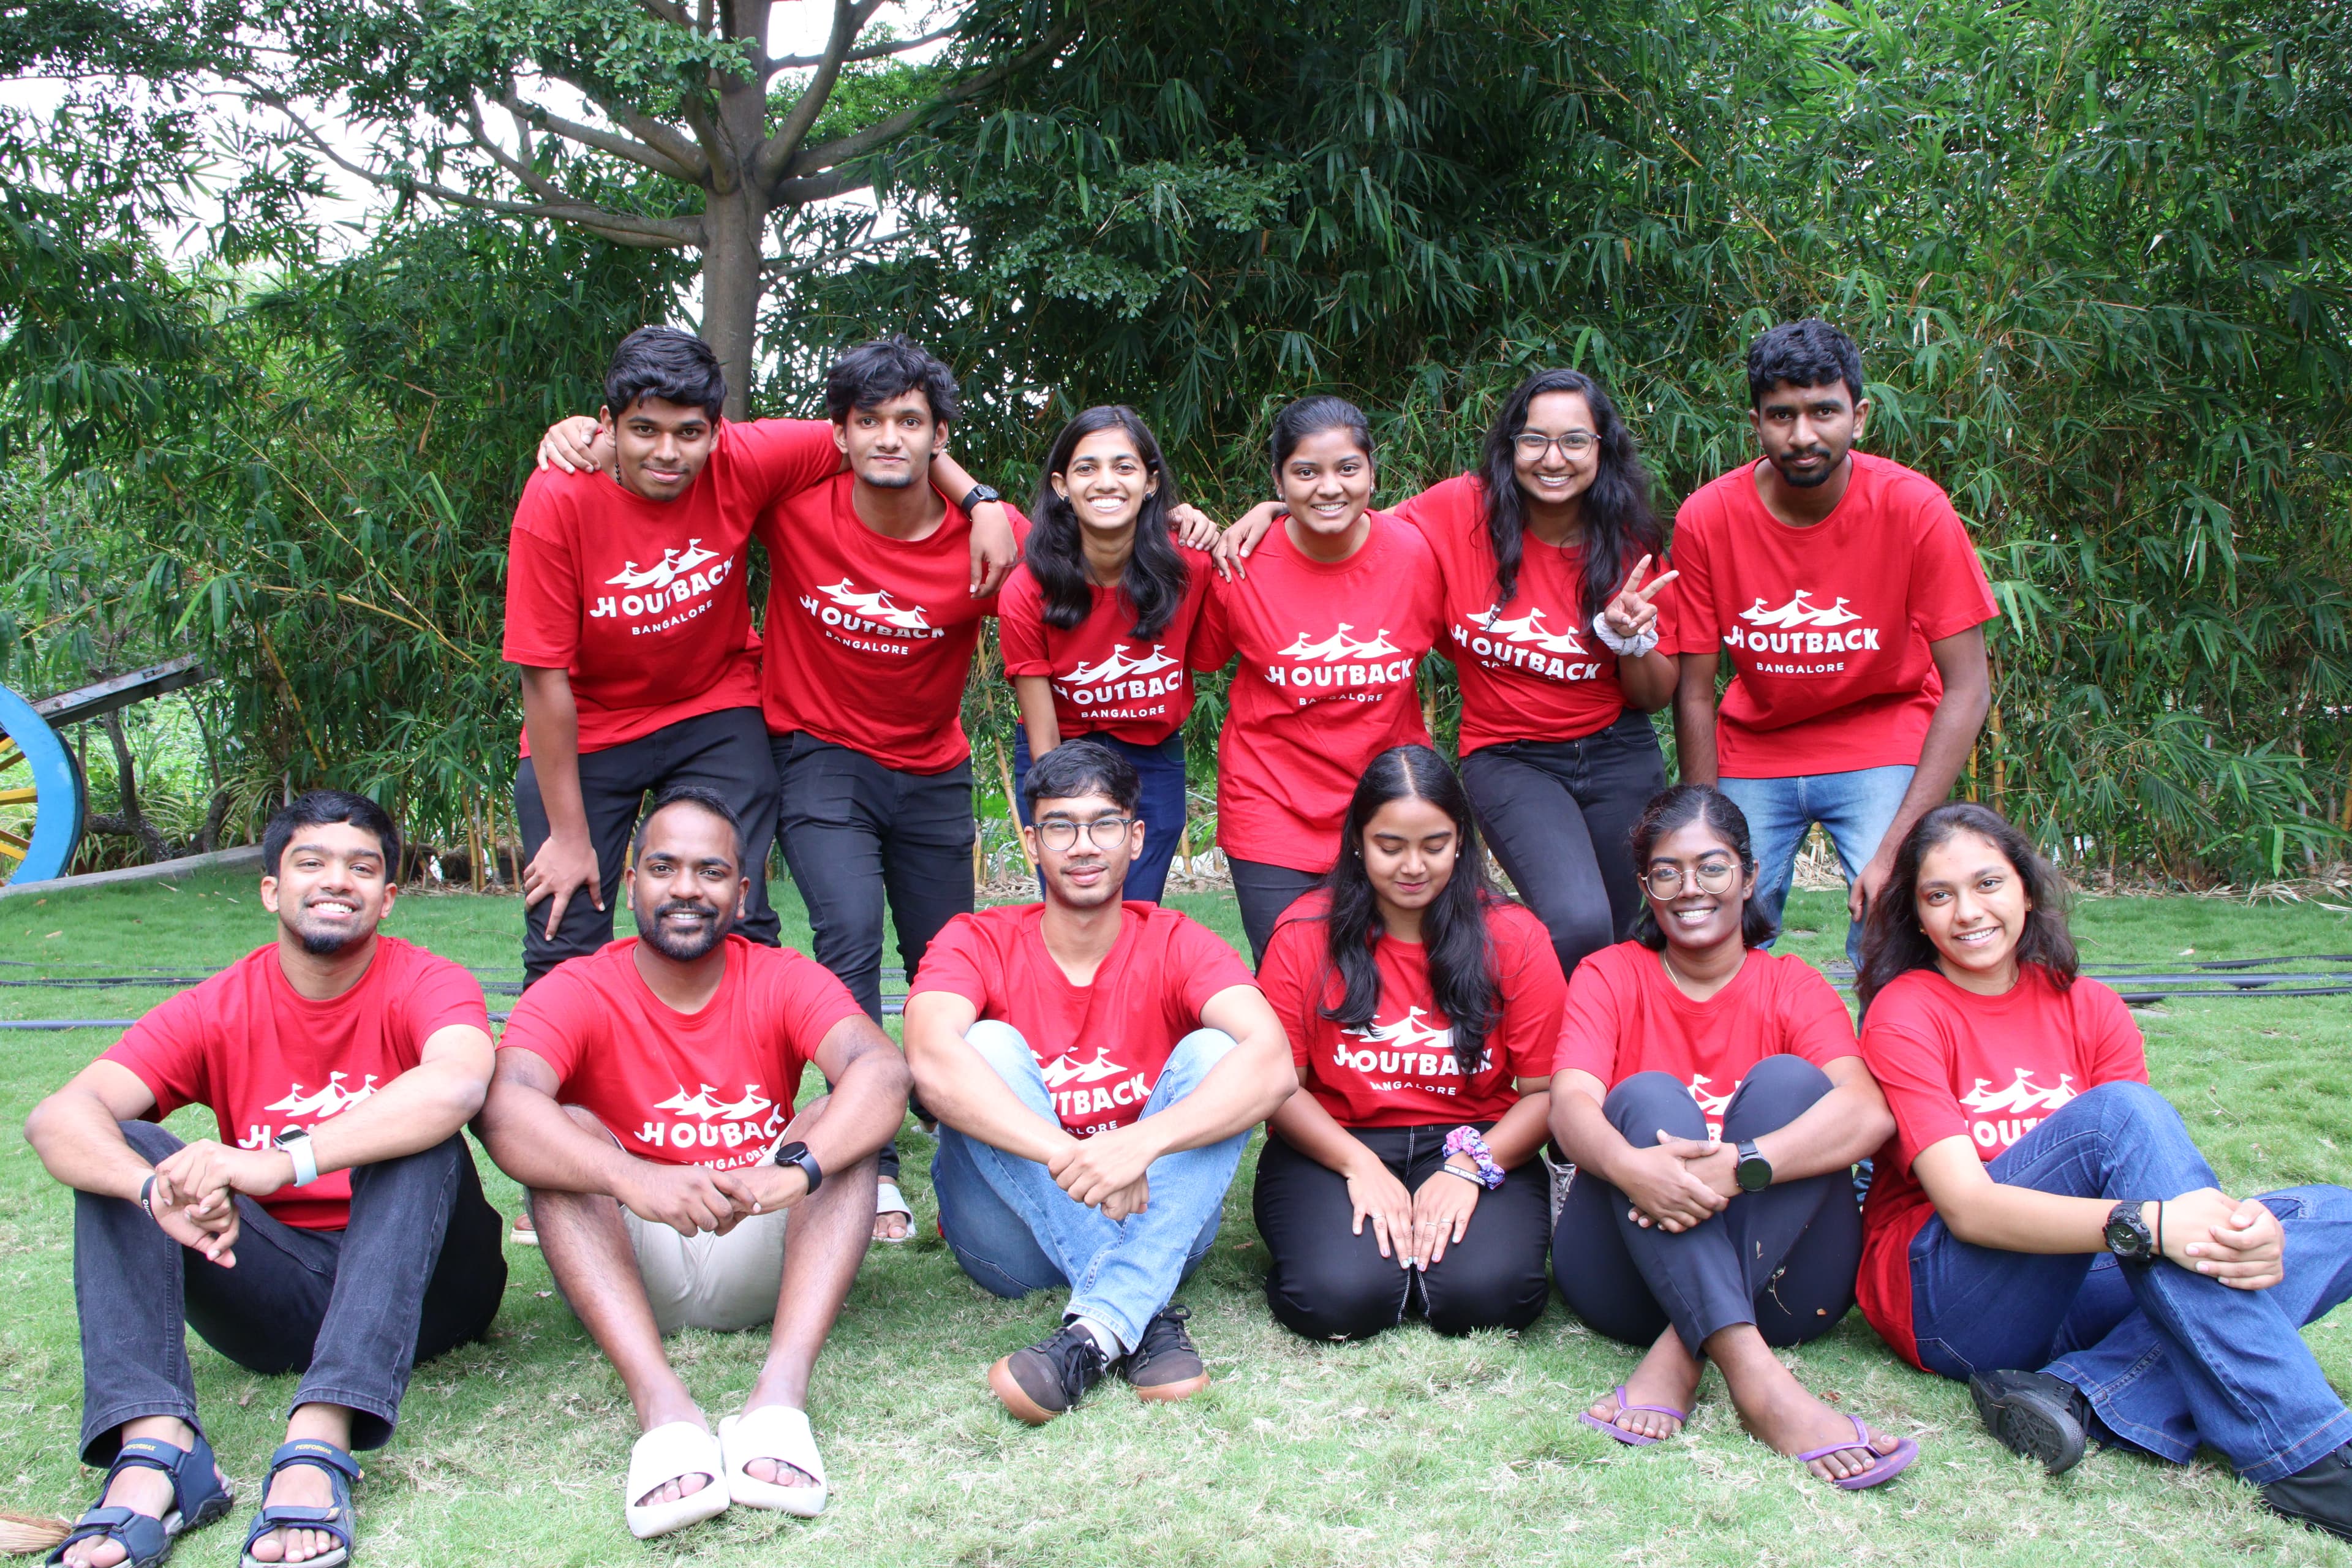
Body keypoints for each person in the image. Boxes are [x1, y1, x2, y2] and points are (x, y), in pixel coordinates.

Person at [23, 791, 505, 1568]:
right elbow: (59, 1116)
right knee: (127, 1149)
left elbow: (455, 1085)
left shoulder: (429, 981)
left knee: (418, 1136)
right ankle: (158, 1451)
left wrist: (279, 1161)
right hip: (280, 1291)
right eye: (310, 862)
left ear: (387, 897)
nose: (335, 880)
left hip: (431, 1289)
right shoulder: (219, 1005)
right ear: (272, 889)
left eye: (361, 866)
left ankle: (319, 1437)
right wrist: (153, 1191)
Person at [1856, 802, 2352, 1539]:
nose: (1968, 912)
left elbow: (2157, 1177)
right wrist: (2153, 1226)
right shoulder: (1907, 1010)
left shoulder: (2091, 1007)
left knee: (2327, 1216)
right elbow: (1969, 1207)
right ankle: (2309, 1459)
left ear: (2026, 888)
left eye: (1988, 883)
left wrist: (2232, 1233)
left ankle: (2076, 1394)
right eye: (1939, 895)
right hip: (1953, 1296)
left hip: (2083, 1278)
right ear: (1917, 916)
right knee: (2121, 1114)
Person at [476, 786, 910, 1539]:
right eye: (663, 867)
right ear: (630, 881)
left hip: (762, 1232)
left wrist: (796, 1169)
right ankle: (663, 1409)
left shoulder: (777, 974)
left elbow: (882, 1072)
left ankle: (779, 1398)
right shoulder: (578, 986)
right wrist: (632, 1177)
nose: (685, 888)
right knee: (565, 1132)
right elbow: (505, 1107)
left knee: (833, 1126)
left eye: (710, 872)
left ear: (741, 894)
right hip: (626, 1254)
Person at [1215, 368, 1681, 978]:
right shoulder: (1457, 510)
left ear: (1602, 448)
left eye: (1575, 440)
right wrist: (1278, 507)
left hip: (1612, 747)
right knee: (1576, 920)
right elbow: (1345, 509)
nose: (1553, 457)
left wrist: (1627, 637)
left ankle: (1584, 1062)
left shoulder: (1630, 538)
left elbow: (1655, 694)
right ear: (1510, 445)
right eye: (1534, 439)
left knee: (1618, 936)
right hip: (1508, 754)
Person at [902, 741, 1293, 1423]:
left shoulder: (1178, 942)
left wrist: (1141, 1143)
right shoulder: (976, 939)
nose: (1084, 845)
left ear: (1136, 837)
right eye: (1061, 825)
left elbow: (1275, 1063)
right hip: (1009, 1237)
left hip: (1152, 1217)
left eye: (1104, 823)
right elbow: (930, 1061)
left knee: (1218, 1050)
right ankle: (1144, 1308)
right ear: (1032, 841)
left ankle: (1099, 1328)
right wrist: (1072, 1154)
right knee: (983, 1046)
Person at [1550, 783, 1915, 1490]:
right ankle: (1761, 1384)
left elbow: (1869, 1112)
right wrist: (1633, 1168)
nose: (1691, 888)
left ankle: (1682, 1356)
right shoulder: (1610, 974)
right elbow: (1568, 1109)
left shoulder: (1793, 986)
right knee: (1648, 1096)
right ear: (1645, 887)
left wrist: (1744, 1166)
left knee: (1792, 1086)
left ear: (1750, 877)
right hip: (1626, 1277)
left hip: (1787, 1286)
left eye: (1713, 867)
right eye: (1667, 871)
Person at [1669, 319, 1997, 967]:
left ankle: (1892, 1064)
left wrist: (1897, 849)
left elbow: (1968, 688)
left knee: (1896, 909)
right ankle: (1737, 1066)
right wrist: (1706, 831)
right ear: (1756, 423)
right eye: (1781, 416)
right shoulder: (1707, 517)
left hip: (1883, 733)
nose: (1803, 435)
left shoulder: (1915, 509)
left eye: (1824, 411)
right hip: (1758, 745)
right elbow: (1695, 692)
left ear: (1861, 414)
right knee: (1714, 908)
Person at [1252, 744, 1563, 1341]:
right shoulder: (1301, 935)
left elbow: (1548, 1091)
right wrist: (1357, 1163)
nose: (1413, 866)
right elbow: (1276, 1087)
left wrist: (1471, 1166)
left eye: (1435, 844)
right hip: (1337, 1140)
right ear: (1358, 842)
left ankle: (1433, 1255)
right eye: (1390, 846)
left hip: (1475, 1137)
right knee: (1340, 1298)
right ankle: (1377, 1259)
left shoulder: (1515, 937)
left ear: (1462, 841)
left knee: (1488, 1296)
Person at [1191, 395, 1444, 962]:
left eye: (1347, 469)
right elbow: (1199, 656)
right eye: (1306, 472)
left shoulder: (1417, 554)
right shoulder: (1240, 563)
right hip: (1272, 804)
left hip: (1389, 804)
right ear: (1279, 481)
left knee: (1401, 974)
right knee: (1293, 976)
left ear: (1373, 474)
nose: (1330, 487)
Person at [1000, 405, 1215, 905]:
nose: (1106, 482)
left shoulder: (1192, 567)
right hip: (1062, 751)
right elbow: (1045, 741)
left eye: (1124, 467)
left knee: (1138, 908)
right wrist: (1063, 817)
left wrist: (1267, 510)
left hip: (1153, 756)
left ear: (1151, 483)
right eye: (1086, 468)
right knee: (1078, 904)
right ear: (1061, 486)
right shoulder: (1027, 589)